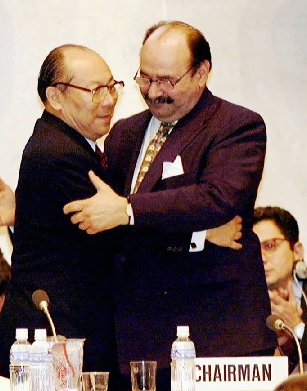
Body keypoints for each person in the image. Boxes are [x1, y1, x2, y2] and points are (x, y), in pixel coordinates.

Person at [63, 20, 276, 389]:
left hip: (215, 340)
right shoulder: (124, 134)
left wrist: (128, 211)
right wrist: (196, 235)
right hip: (138, 337)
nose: (154, 92)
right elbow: (107, 223)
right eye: (144, 79)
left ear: (201, 72)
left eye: (167, 81)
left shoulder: (237, 125)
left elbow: (216, 198)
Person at [0, 44, 125, 388]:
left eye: (112, 87)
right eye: (95, 90)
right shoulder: (61, 153)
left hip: (59, 334)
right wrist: (198, 235)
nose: (108, 100)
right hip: (56, 338)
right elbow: (117, 241)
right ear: (56, 96)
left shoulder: (65, 143)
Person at [253, 206, 307, 371]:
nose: (261, 258)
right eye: (254, 249)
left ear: (296, 251)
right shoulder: (236, 304)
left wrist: (297, 327)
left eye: (270, 246)